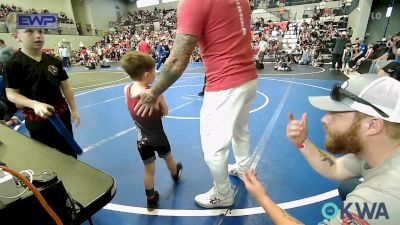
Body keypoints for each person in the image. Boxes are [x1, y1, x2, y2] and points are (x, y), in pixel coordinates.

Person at [133, 0, 258, 208]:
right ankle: (244, 168)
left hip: (224, 84)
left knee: (213, 146)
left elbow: (176, 60)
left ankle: (223, 193)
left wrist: (154, 91)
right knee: (240, 129)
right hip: (248, 77)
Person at [244, 75, 400, 224]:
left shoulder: (381, 196)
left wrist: (262, 197)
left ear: (373, 125)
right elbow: (337, 168)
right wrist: (302, 142)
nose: (324, 119)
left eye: (336, 114)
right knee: (346, 187)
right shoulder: (381, 148)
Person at [3, 13, 80, 157]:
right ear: (16, 36)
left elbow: (66, 86)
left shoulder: (53, 61)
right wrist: (34, 104)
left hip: (61, 115)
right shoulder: (13, 64)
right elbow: (12, 94)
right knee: (48, 156)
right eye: (29, 31)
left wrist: (74, 109)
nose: (38, 35)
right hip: (37, 120)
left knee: (69, 151)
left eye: (40, 31)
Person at [120, 51, 183, 211]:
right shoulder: (154, 93)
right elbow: (166, 112)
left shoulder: (126, 89)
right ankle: (175, 174)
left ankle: (151, 199)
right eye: (155, 71)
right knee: (169, 158)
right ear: (147, 75)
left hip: (141, 140)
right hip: (159, 138)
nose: (156, 74)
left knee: (149, 170)